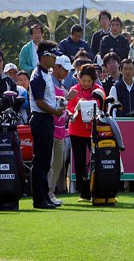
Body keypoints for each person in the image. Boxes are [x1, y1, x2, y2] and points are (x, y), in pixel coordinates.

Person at [29, 41, 66, 209]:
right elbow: (39, 102)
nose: (55, 60)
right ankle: (39, 199)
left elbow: (47, 98)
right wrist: (55, 111)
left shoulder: (45, 73)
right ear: (44, 57)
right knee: (41, 161)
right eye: (52, 56)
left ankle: (44, 196)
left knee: (45, 161)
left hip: (46, 119)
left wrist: (57, 103)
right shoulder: (37, 75)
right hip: (41, 119)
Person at [66, 64, 104, 202]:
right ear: (79, 79)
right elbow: (68, 109)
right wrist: (72, 114)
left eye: (89, 81)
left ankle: (99, 189)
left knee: (97, 161)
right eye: (83, 80)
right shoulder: (73, 90)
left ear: (94, 80)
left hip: (94, 130)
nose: (86, 83)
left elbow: (102, 107)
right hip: (76, 131)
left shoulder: (99, 91)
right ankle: (84, 193)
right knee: (80, 162)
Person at [48, 55, 72, 205]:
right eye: (64, 69)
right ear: (56, 67)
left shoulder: (62, 86)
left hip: (60, 131)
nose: (67, 73)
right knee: (49, 163)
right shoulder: (49, 83)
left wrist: (67, 112)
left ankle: (50, 192)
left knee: (58, 162)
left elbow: (61, 107)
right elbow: (49, 103)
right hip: (49, 130)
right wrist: (67, 99)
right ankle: (46, 193)